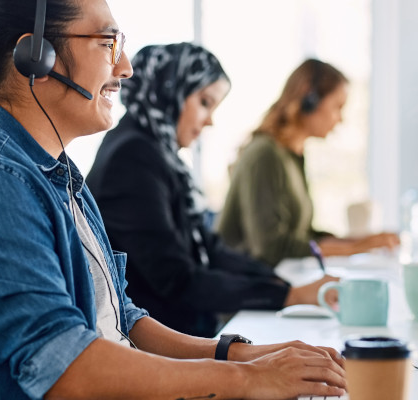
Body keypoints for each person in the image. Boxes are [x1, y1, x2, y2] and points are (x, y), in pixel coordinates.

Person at [0, 1, 345, 398]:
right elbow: (67, 370)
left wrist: (241, 356)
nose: (126, 68)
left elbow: (120, 318)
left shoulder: (53, 174)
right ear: (35, 57)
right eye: (108, 42)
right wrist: (248, 381)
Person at [86, 42, 337, 338]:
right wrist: (287, 296)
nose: (210, 121)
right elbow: (178, 280)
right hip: (157, 348)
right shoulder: (133, 158)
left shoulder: (156, 152)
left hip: (179, 331)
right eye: (204, 102)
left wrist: (280, 284)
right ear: (171, 91)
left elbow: (209, 248)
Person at [217, 59, 401, 267]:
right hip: (244, 285)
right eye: (337, 107)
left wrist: (365, 241)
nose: (340, 119)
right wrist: (355, 248)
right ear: (309, 98)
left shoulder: (292, 155)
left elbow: (303, 235)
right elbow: (270, 247)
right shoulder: (265, 154)